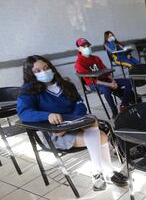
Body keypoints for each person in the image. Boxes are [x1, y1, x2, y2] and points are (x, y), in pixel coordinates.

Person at [17, 55, 128, 191]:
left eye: (46, 68)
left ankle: (98, 172)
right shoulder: (29, 91)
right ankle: (108, 172)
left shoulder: (66, 85)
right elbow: (23, 113)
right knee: (102, 137)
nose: (44, 72)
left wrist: (71, 124)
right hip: (56, 133)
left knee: (93, 121)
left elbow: (80, 105)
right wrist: (48, 115)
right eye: (38, 71)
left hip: (75, 125)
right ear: (30, 74)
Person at [74, 38, 135, 119]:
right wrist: (109, 84)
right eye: (84, 46)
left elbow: (106, 71)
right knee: (106, 89)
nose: (87, 48)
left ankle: (124, 104)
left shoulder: (96, 58)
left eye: (88, 46)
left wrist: (113, 81)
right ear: (79, 49)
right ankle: (114, 111)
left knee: (128, 81)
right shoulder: (79, 63)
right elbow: (92, 80)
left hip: (105, 79)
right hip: (94, 83)